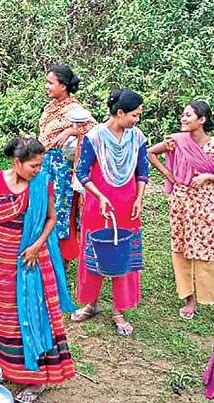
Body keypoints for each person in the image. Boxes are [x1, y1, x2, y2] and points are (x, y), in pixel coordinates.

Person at [0, 137, 76, 403]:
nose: (38, 170)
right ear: (17, 163)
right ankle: (10, 367)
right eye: (33, 166)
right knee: (6, 316)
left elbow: (51, 218)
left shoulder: (42, 183)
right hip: (0, 261)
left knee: (35, 313)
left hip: (31, 261)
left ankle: (37, 379)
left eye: (40, 165)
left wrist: (36, 246)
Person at [71, 89, 150, 336]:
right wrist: (100, 196)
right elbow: (82, 172)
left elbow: (143, 170)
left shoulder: (137, 137)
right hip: (99, 204)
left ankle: (118, 311)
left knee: (122, 254)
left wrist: (139, 198)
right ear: (120, 113)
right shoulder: (94, 137)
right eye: (135, 115)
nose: (137, 119)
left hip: (128, 205)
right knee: (94, 252)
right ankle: (91, 304)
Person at [146, 100, 214, 321]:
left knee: (210, 249)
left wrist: (207, 176)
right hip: (180, 202)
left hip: (204, 204)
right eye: (183, 115)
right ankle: (189, 298)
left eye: (188, 115)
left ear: (202, 120)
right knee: (182, 248)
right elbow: (150, 153)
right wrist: (168, 174)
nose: (183, 119)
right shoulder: (176, 141)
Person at [37, 64, 96, 265]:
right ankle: (46, 252)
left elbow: (93, 130)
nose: (47, 86)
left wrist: (71, 131)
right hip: (46, 165)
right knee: (45, 205)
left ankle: (63, 258)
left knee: (62, 208)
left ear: (63, 86)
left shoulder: (74, 109)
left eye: (50, 83)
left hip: (63, 169)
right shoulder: (50, 107)